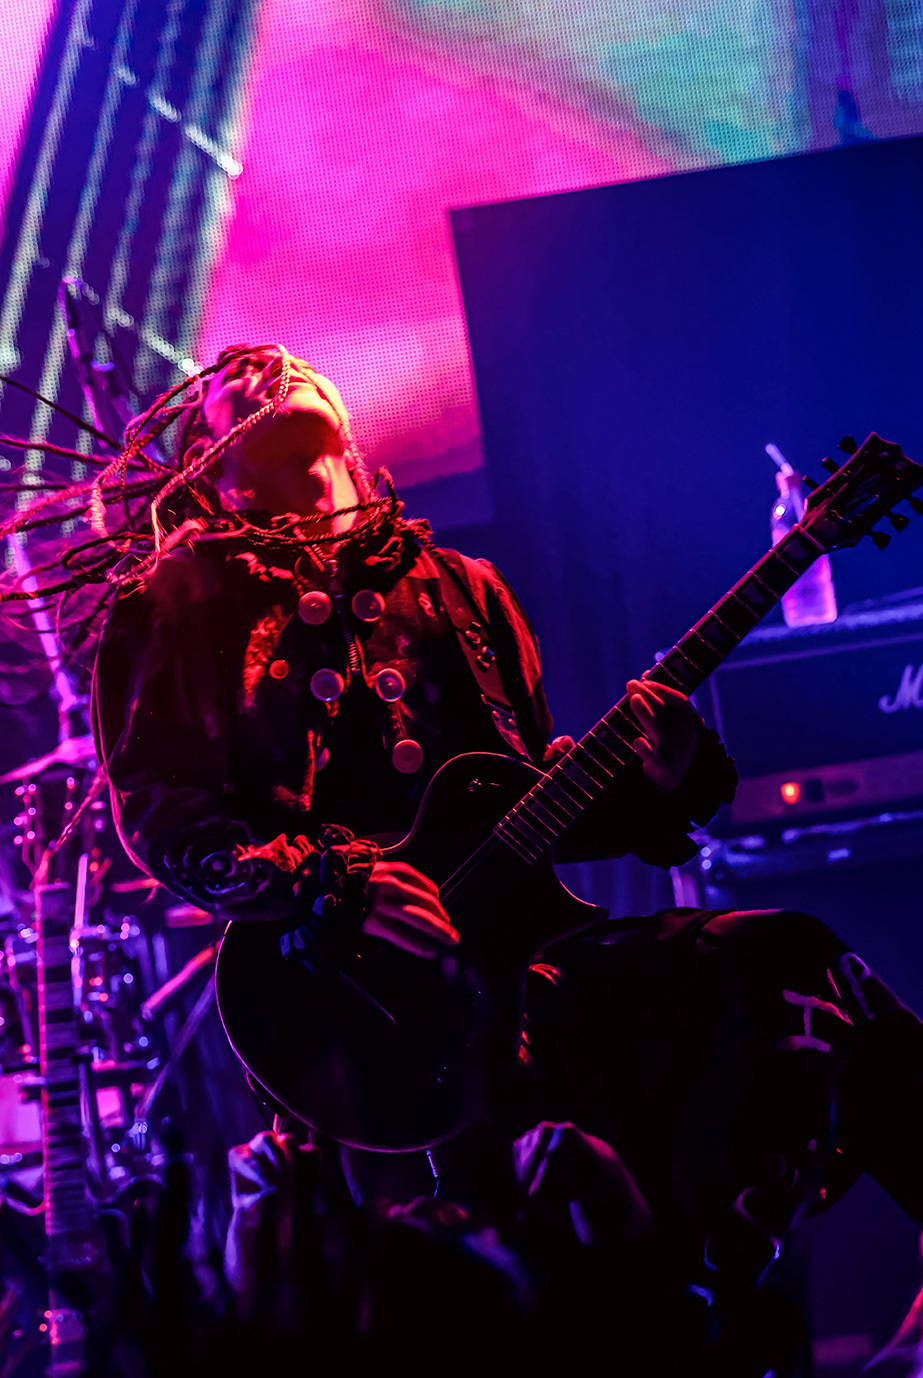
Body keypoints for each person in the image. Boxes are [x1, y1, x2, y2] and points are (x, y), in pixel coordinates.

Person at [34, 343, 923, 1372]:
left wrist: (660, 778)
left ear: (348, 431)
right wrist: (324, 884)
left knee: (795, 960)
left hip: (536, 953)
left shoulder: (463, 591)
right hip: (357, 1009)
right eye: (234, 379)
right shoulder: (178, 610)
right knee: (523, 1159)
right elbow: (166, 821)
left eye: (283, 363)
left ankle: (715, 1296)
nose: (265, 367)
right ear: (212, 472)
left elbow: (521, 808)